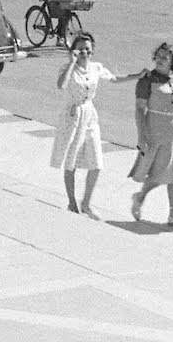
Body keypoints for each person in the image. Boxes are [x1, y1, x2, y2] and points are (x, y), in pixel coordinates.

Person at [50, 32, 143, 219]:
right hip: (72, 117)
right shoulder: (68, 68)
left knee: (96, 162)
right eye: (81, 49)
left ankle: (86, 203)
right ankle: (72, 202)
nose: (85, 53)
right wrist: (71, 62)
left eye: (87, 49)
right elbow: (61, 85)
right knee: (71, 162)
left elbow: (115, 79)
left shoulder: (96, 67)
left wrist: (137, 76)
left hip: (89, 116)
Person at [128, 42, 173, 229]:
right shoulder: (147, 80)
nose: (160, 60)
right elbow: (140, 109)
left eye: (164, 57)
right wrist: (142, 136)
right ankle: (141, 195)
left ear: (172, 61)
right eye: (158, 56)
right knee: (161, 172)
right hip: (156, 132)